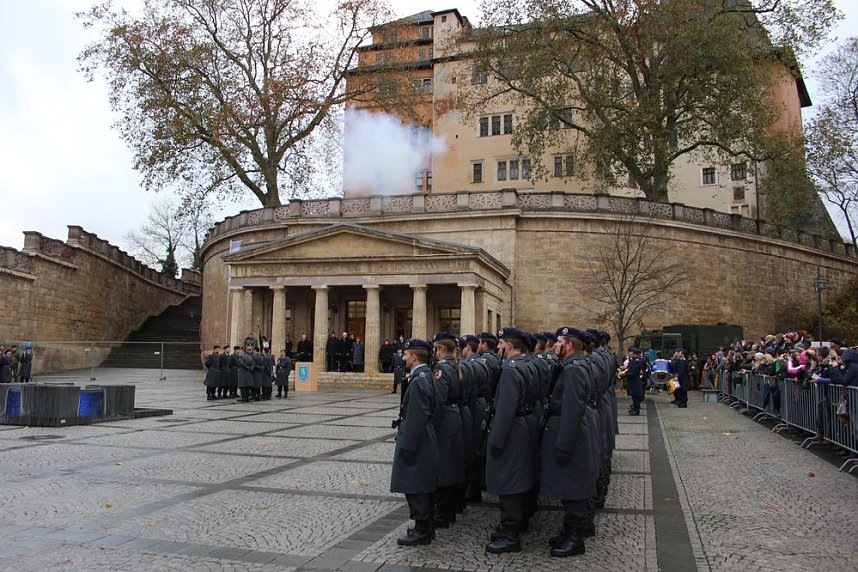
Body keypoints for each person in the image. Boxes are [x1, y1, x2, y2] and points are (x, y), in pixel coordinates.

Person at [541, 327, 597, 557]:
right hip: (567, 429)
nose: (555, 345)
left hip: (570, 433)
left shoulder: (574, 370)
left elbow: (572, 410)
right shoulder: (573, 366)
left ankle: (575, 538)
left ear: (569, 345)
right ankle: (569, 531)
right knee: (568, 484)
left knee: (573, 485)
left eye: (559, 342)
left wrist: (563, 444)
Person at [485, 328, 533, 555]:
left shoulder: (512, 370)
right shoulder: (527, 364)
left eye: (501, 343)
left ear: (509, 345)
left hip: (512, 429)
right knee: (517, 477)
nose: (498, 348)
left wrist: (495, 441)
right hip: (524, 426)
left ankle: (510, 533)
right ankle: (513, 525)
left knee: (509, 481)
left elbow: (505, 410)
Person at [390, 338, 439, 546]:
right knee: (420, 482)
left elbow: (417, 416)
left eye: (406, 354)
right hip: (424, 436)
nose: (404, 357)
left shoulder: (419, 380)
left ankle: (422, 530)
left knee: (415, 483)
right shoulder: (425, 374)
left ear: (415, 356)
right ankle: (426, 526)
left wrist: (408, 446)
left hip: (417, 439)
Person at [430, 332, 465, 530]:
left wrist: (431, 426)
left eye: (435, 347)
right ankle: (450, 508)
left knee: (442, 466)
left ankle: (441, 512)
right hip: (456, 417)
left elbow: (438, 401)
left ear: (441, 348)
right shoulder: (457, 365)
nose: (434, 351)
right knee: (452, 463)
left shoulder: (442, 369)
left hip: (444, 421)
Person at [623, 347, 645, 415]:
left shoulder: (637, 362)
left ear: (635, 354)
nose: (630, 354)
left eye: (632, 353)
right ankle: (634, 408)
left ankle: (636, 410)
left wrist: (624, 374)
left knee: (636, 397)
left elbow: (633, 373)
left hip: (635, 382)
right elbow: (630, 368)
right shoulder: (633, 361)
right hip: (633, 382)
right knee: (634, 396)